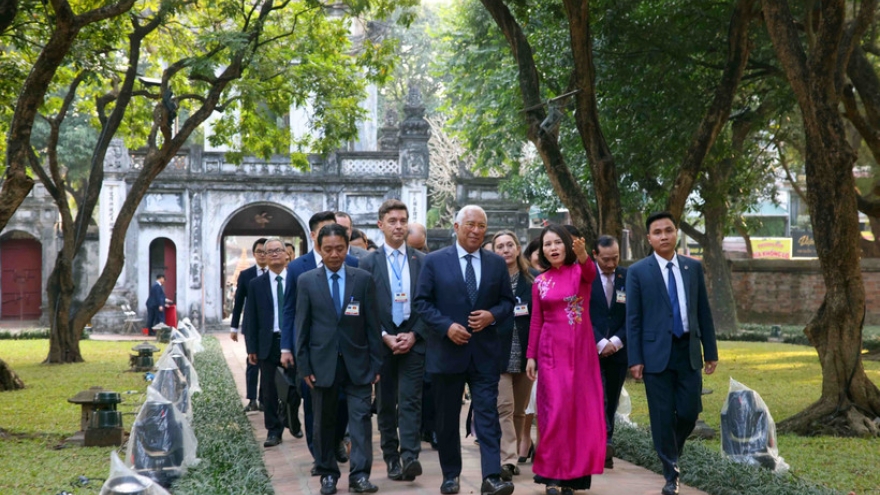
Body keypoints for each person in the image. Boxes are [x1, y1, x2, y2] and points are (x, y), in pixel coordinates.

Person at [414, 205, 516, 495]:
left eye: (482, 226)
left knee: (487, 415)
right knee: (446, 418)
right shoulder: (434, 261)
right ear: (456, 227)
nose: (476, 230)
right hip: (447, 352)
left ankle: (491, 476)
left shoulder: (496, 263)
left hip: (484, 354)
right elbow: (422, 303)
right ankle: (450, 475)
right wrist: (446, 326)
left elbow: (508, 303)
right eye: (470, 224)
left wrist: (491, 315)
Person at [626, 211, 718, 495]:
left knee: (689, 412)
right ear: (649, 238)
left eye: (668, 230)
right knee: (662, 415)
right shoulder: (638, 271)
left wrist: (710, 351)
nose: (664, 236)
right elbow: (634, 319)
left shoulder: (692, 268)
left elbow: (703, 311)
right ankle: (670, 473)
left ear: (676, 232)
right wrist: (636, 359)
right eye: (658, 232)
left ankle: (669, 449)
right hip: (655, 355)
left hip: (688, 350)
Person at [295, 223, 384, 494]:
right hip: (322, 365)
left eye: (340, 249)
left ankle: (360, 475)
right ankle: (328, 474)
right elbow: (302, 327)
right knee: (324, 422)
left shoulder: (362, 279)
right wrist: (304, 366)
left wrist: (376, 363)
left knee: (360, 421)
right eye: (328, 249)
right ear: (320, 249)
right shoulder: (307, 281)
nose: (334, 254)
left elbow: (372, 324)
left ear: (348, 248)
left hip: (358, 364)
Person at [525, 225, 605, 495]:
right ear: (542, 251)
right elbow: (536, 321)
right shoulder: (540, 281)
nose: (553, 248)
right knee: (554, 413)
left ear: (568, 246)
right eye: (548, 244)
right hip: (550, 354)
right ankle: (551, 476)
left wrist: (584, 255)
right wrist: (531, 356)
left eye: (558, 242)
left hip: (581, 354)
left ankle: (572, 477)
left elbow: (592, 272)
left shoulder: (580, 272)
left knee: (577, 414)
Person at [281, 211, 359, 466]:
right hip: (314, 352)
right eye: (326, 232)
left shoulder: (354, 265)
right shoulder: (297, 268)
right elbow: (291, 310)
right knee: (315, 406)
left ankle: (336, 439)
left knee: (344, 404)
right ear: (314, 236)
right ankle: (320, 456)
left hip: (346, 352)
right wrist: (288, 347)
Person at [359, 199, 427, 482]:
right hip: (382, 342)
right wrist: (385, 336)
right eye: (393, 221)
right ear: (380, 225)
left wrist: (414, 334)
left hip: (413, 340)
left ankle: (410, 456)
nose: (399, 226)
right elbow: (364, 307)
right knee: (386, 403)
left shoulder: (422, 261)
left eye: (403, 220)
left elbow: (429, 303)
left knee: (411, 400)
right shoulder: (367, 263)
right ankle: (391, 458)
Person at [491, 230, 535, 481]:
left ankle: (514, 453)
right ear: (494, 251)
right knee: (504, 408)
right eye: (500, 246)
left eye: (510, 245)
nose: (505, 250)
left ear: (518, 249)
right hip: (498, 354)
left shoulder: (533, 281)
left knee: (519, 411)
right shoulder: (490, 281)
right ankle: (506, 459)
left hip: (526, 355)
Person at [243, 238, 290, 448]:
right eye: (268, 251)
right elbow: (250, 317)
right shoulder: (256, 284)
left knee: (295, 388)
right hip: (267, 342)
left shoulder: (298, 280)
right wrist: (251, 348)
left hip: (292, 341)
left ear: (286, 254)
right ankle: (273, 430)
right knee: (269, 389)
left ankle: (291, 418)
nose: (273, 254)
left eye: (277, 250)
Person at [588, 235, 627, 469]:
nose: (611, 264)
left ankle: (606, 443)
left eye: (615, 258)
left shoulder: (627, 276)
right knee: (597, 397)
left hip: (619, 350)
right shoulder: (585, 277)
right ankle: (602, 442)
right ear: (594, 255)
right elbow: (579, 312)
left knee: (611, 398)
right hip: (591, 349)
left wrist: (616, 341)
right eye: (605, 260)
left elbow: (634, 315)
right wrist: (600, 342)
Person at [230, 238, 269, 414]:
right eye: (259, 251)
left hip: (270, 328)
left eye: (265, 251)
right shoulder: (246, 275)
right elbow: (238, 303)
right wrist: (233, 327)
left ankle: (264, 399)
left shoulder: (276, 274)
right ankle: (252, 398)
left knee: (267, 363)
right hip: (252, 327)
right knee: (253, 361)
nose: (262, 255)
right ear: (254, 254)